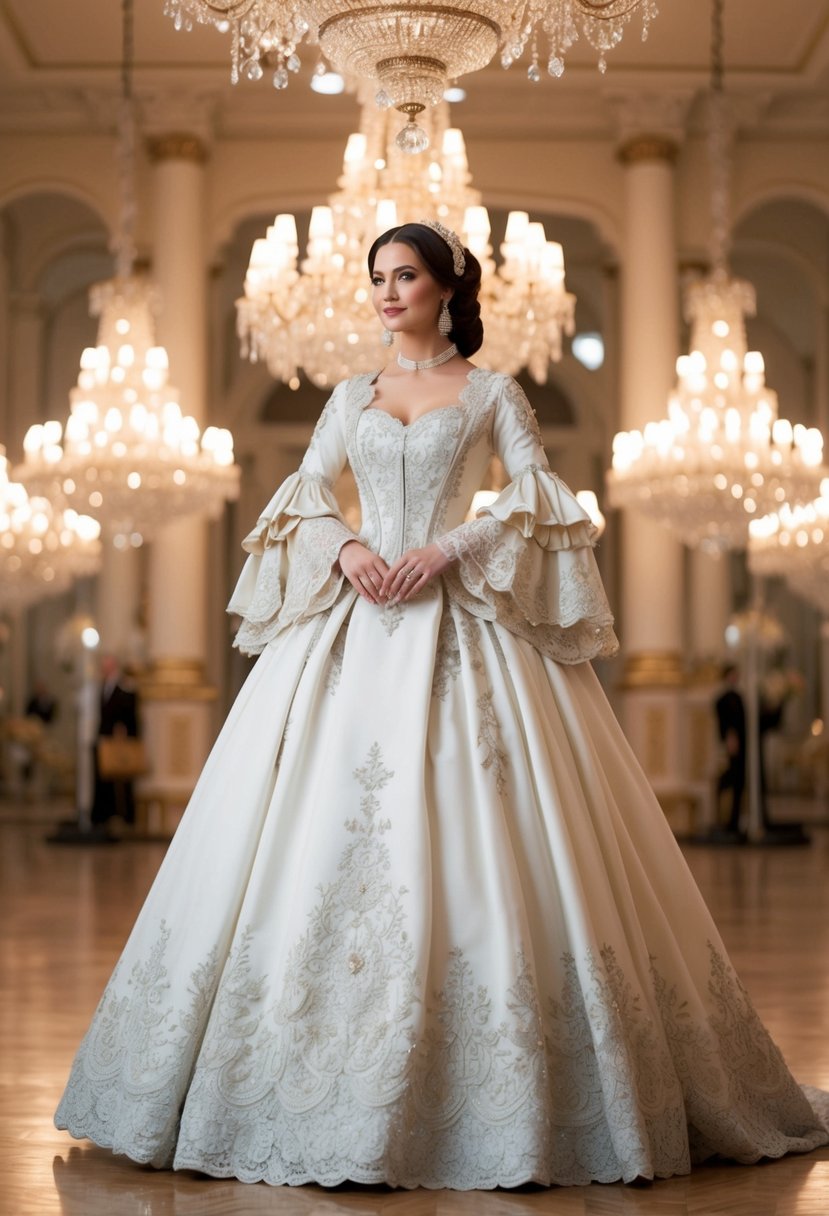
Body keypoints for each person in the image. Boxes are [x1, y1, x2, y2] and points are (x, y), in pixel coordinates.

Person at [55, 221, 828, 1188]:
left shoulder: (491, 392)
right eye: (375, 277)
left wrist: (446, 548)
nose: (385, 293)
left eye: (403, 276)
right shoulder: (349, 396)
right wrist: (349, 550)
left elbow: (536, 494)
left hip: (460, 620)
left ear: (442, 287)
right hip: (355, 615)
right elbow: (303, 492)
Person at [90, 654, 139, 828]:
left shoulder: (125, 686)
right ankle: (103, 814)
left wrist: (122, 729)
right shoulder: (102, 686)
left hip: (118, 739)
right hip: (104, 737)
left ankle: (126, 816)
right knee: (103, 778)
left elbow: (129, 711)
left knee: (123, 779)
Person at [714, 663, 746, 835]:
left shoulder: (739, 697)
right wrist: (729, 737)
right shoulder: (723, 699)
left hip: (742, 748)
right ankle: (725, 819)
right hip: (731, 748)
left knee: (739, 783)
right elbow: (725, 723)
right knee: (728, 780)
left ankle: (735, 820)